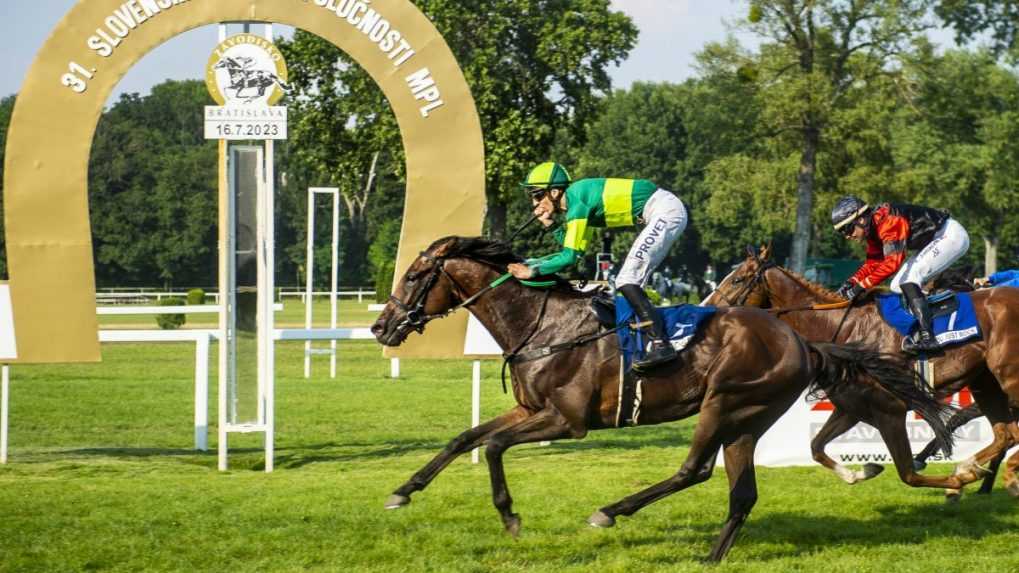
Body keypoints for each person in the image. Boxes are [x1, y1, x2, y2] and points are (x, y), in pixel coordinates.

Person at [507, 162, 688, 370]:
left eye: (538, 195)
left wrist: (532, 270)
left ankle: (660, 343)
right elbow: (574, 251)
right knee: (626, 279)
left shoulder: (577, 202)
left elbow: (569, 257)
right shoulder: (577, 200)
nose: (534, 203)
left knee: (626, 279)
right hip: (660, 211)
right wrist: (549, 229)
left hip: (665, 211)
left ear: (555, 192)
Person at [831, 196, 970, 353]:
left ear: (861, 219)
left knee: (910, 279)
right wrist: (851, 281)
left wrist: (860, 287)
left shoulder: (888, 221)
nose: (848, 236)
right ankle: (930, 319)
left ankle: (928, 337)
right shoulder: (873, 228)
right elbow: (873, 263)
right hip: (936, 239)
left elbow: (892, 264)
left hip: (950, 236)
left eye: (847, 229)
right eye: (842, 232)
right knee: (896, 286)